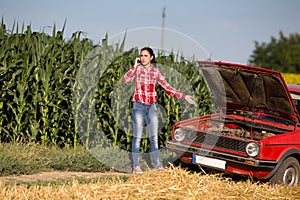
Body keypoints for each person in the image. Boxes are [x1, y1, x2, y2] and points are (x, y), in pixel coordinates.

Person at [122, 47, 196, 173]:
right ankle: (136, 166)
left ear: (151, 57)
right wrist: (134, 67)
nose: (142, 58)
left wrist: (184, 97)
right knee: (138, 137)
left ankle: (157, 166)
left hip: (151, 107)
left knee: (153, 137)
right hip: (138, 107)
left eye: (145, 55)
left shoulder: (156, 72)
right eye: (141, 55)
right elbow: (125, 80)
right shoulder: (137, 70)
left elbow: (168, 88)